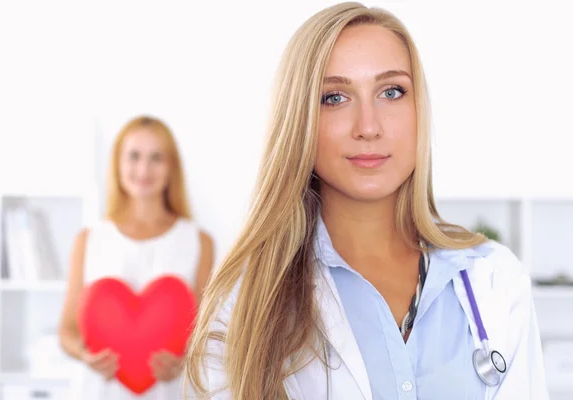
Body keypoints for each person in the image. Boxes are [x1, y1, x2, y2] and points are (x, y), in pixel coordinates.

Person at [183, 3, 548, 400]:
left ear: (418, 109)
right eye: (335, 97)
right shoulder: (245, 302)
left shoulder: (494, 279)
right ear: (299, 118)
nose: (369, 127)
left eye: (391, 92)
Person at [58, 115, 214, 399]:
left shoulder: (198, 241)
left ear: (171, 168)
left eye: (156, 157)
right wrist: (85, 355)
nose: (144, 168)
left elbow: (202, 333)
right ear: (118, 164)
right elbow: (67, 330)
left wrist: (182, 363)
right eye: (134, 156)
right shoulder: (88, 239)